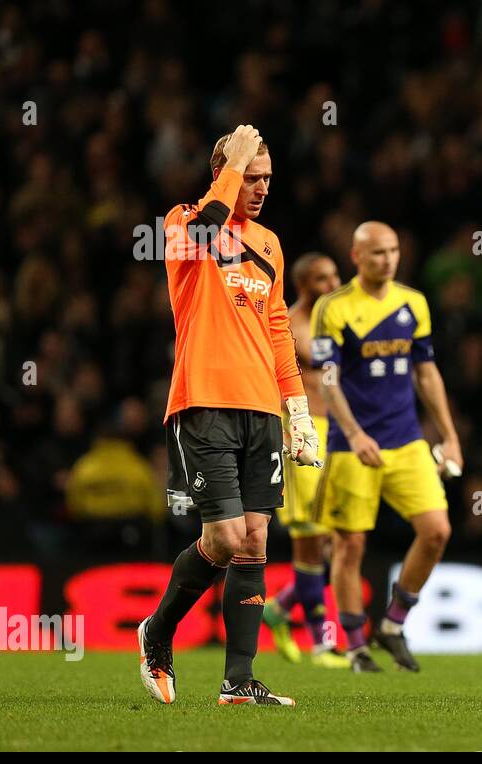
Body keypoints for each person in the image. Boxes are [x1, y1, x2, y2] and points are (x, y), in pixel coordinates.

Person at [141, 125, 322, 707]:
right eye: (251, 175)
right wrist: (236, 158)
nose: (262, 188)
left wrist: (297, 410)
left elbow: (278, 334)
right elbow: (202, 230)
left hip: (260, 407)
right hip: (203, 400)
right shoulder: (182, 223)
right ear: (225, 170)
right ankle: (157, 633)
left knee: (254, 541)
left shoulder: (269, 244)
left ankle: (239, 683)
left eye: (268, 178)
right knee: (221, 537)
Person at [311, 221, 462, 673]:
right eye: (377, 252)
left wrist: (449, 435)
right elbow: (328, 377)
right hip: (351, 445)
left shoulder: (413, 302)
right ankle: (356, 647)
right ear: (356, 257)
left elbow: (426, 372)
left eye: (393, 251)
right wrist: (355, 434)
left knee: (437, 531)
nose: (388, 259)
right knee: (350, 545)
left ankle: (393, 625)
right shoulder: (333, 307)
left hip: (407, 439)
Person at [261, 252, 349, 668]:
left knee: (337, 536)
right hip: (302, 427)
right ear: (303, 285)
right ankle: (321, 643)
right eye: (322, 278)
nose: (333, 283)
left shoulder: (343, 321)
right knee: (311, 534)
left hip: (340, 431)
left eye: (334, 275)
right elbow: (273, 375)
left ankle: (280, 607)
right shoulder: (289, 323)